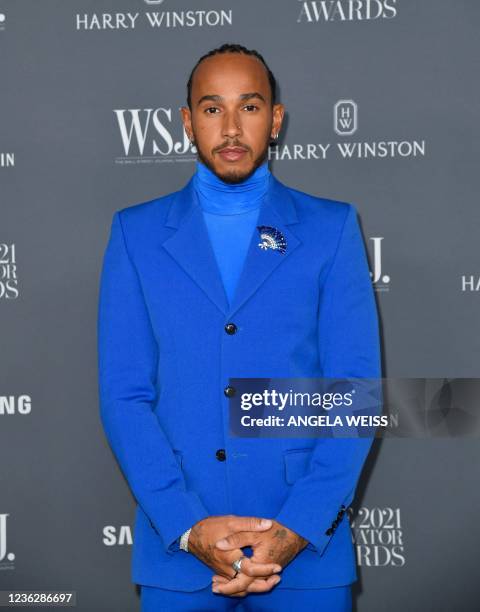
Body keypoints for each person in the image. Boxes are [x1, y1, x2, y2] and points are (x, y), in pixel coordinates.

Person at [97, 43, 381, 611]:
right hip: (179, 551)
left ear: (275, 120)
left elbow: (354, 393)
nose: (230, 127)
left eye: (249, 107)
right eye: (211, 108)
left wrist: (296, 527)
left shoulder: (331, 228)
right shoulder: (135, 234)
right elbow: (125, 395)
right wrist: (188, 525)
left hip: (306, 552)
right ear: (186, 122)